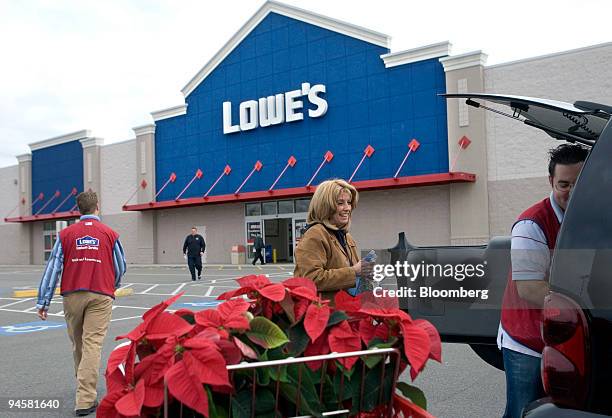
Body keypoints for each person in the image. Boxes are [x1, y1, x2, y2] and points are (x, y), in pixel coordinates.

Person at [498, 143, 588, 418]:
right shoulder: (531, 225)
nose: (571, 193)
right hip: (526, 339)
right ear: (551, 181)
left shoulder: (586, 219)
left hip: (562, 334)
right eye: (564, 184)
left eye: (578, 183)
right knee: (521, 410)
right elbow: (530, 288)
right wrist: (587, 306)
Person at [36, 191, 127, 417]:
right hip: (101, 294)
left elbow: (53, 268)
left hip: (72, 294)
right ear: (97, 207)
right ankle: (85, 396)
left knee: (79, 344)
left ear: (79, 210)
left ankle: (85, 394)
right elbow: (121, 265)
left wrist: (43, 301)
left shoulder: (66, 234)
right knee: (92, 345)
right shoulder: (109, 234)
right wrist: (112, 284)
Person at [294, 179, 366, 301]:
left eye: (349, 202)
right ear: (325, 206)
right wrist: (354, 271)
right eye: (340, 203)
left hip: (347, 311)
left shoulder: (345, 236)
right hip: (325, 314)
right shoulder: (315, 234)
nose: (347, 208)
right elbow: (312, 279)